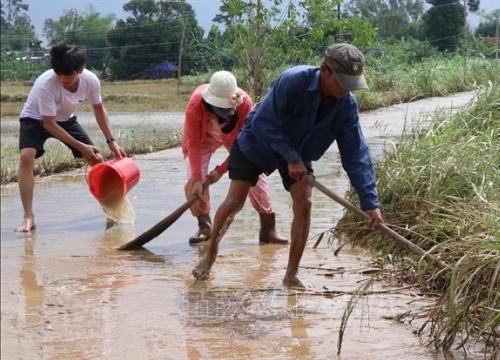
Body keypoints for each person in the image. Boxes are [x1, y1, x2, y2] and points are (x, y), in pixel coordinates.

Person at [193, 43, 383, 288]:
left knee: (304, 203)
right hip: (256, 142)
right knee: (234, 202)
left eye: (352, 84)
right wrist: (290, 157)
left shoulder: (346, 106)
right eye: (343, 82)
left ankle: (291, 275)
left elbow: (356, 154)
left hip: (300, 154)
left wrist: (370, 203)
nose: (347, 90)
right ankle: (210, 255)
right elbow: (263, 123)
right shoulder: (293, 81)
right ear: (325, 70)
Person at [15, 42, 127, 232]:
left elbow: (98, 109)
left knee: (97, 161)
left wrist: (111, 141)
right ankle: (28, 216)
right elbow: (49, 124)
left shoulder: (91, 81)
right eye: (58, 74)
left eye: (67, 76)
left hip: (66, 119)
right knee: (26, 156)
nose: (61, 79)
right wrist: (82, 147)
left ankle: (112, 211)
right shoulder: (46, 84)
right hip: (36, 118)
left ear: (80, 69)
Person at [182, 70, 287, 245]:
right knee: (193, 179)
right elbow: (194, 143)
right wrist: (199, 179)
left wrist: (221, 171)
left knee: (254, 175)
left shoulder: (245, 104)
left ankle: (268, 228)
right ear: (210, 104)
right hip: (204, 137)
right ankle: (204, 225)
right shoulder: (196, 104)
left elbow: (244, 147)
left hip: (236, 138)